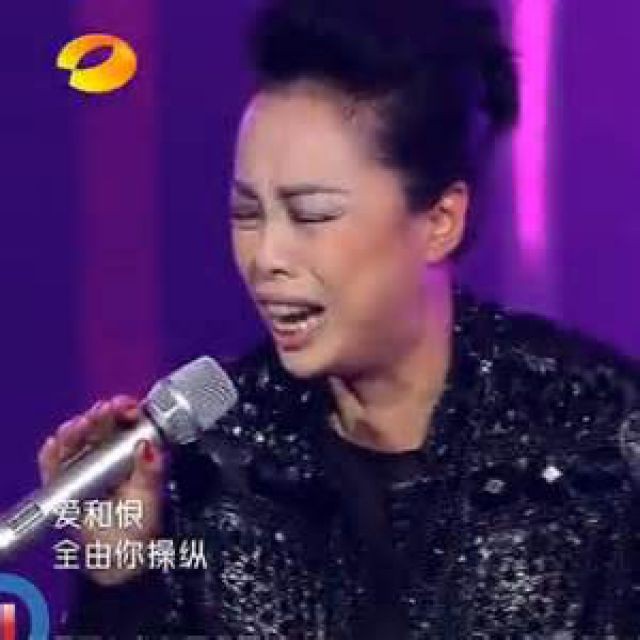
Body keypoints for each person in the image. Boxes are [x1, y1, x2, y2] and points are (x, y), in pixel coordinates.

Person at [41, 0, 640, 637]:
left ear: (440, 220)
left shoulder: (597, 434)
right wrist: (119, 573)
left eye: (312, 215)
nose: (266, 257)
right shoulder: (213, 458)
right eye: (247, 214)